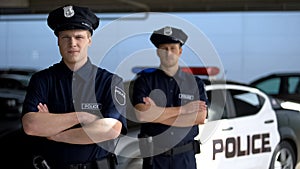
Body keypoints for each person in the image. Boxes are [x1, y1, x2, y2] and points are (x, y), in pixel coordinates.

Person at [21, 5, 127, 169]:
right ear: (58, 41)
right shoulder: (42, 80)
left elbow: (110, 129)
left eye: (79, 37)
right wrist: (82, 117)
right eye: (66, 37)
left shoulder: (110, 82)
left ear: (89, 40)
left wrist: (54, 133)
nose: (72, 43)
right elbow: (31, 126)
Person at [131, 26, 208, 169]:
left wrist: (156, 114)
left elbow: (200, 117)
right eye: (164, 49)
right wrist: (184, 110)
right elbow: (142, 115)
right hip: (155, 160)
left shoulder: (194, 83)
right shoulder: (145, 81)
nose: (169, 53)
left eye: (173, 48)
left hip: (185, 158)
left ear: (180, 51)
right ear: (158, 52)